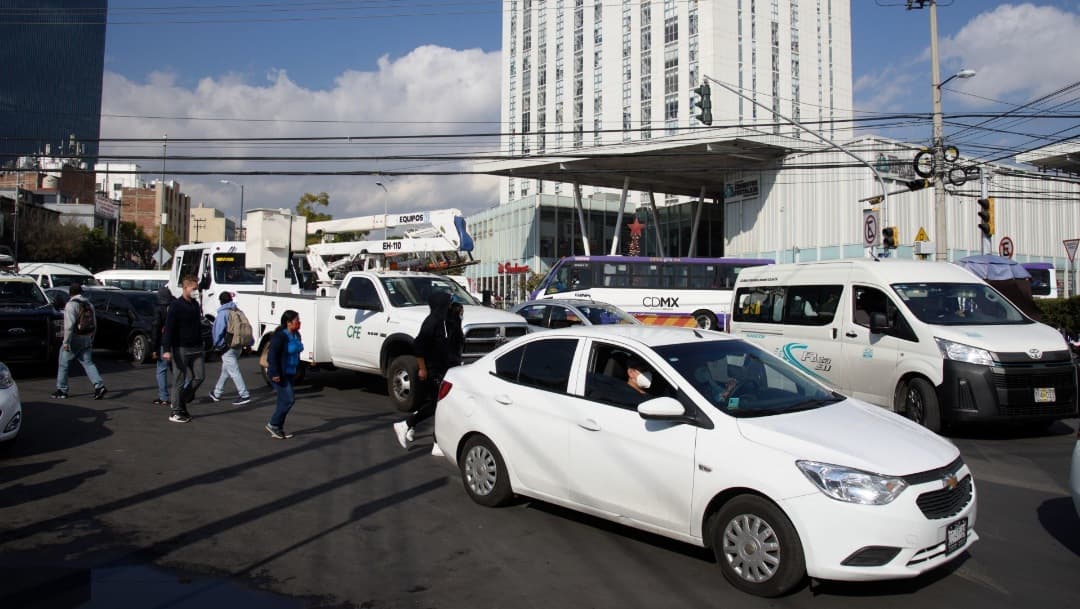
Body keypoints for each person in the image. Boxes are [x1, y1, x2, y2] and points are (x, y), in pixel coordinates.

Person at [394, 291, 453, 453]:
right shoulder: (431, 322)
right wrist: (422, 368)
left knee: (437, 405)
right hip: (432, 371)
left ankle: (435, 442)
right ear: (440, 304)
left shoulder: (442, 322)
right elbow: (419, 346)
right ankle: (406, 424)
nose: (450, 305)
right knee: (437, 405)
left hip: (442, 369)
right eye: (448, 302)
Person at [51, 283, 107, 400]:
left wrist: (66, 342)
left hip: (74, 338)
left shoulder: (71, 305)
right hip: (87, 337)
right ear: (81, 292)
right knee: (88, 363)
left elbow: (69, 326)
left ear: (70, 293)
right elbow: (94, 323)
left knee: (63, 364)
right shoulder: (88, 304)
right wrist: (91, 338)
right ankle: (99, 385)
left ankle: (62, 390)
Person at [162, 275, 206, 423]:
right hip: (181, 348)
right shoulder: (176, 305)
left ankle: (182, 400)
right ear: (185, 288)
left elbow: (198, 326)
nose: (196, 291)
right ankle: (175, 411)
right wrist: (167, 349)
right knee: (179, 380)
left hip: (197, 347)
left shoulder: (195, 304)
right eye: (194, 288)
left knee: (200, 376)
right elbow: (169, 329)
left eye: (197, 288)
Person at [209, 291, 252, 405]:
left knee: (233, 371)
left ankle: (244, 395)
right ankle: (217, 393)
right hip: (239, 346)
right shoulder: (238, 312)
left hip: (227, 347)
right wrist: (249, 344)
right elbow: (246, 328)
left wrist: (216, 344)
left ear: (221, 301)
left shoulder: (223, 313)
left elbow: (218, 331)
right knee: (226, 370)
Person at [266, 309, 303, 439]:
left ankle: (278, 428)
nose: (299, 322)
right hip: (279, 374)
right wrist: (275, 373)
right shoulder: (280, 336)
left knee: (283, 401)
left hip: (291, 372)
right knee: (289, 399)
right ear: (288, 322)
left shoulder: (296, 335)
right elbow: (272, 356)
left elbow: (298, 350)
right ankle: (273, 424)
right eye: (296, 320)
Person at [151, 285, 174, 406]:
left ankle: (163, 397)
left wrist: (154, 348)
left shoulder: (159, 309)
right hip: (177, 343)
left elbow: (156, 328)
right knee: (177, 369)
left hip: (164, 343)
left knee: (161, 369)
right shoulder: (176, 306)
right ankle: (183, 392)